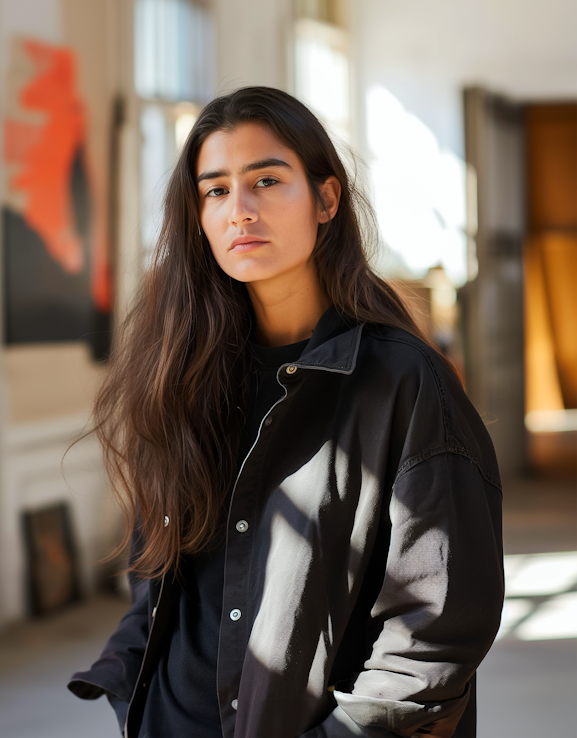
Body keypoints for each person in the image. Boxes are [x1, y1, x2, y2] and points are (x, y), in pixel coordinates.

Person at [68, 87, 504, 738]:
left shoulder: (405, 384)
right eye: (215, 191)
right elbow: (157, 566)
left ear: (326, 198)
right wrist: (133, 676)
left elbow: (436, 628)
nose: (239, 210)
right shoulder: (182, 376)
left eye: (266, 181)